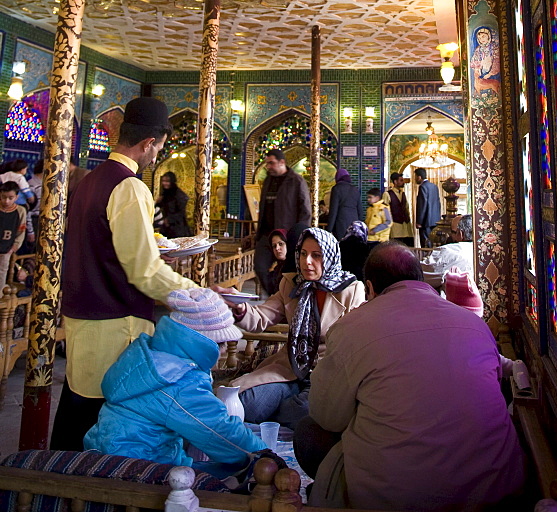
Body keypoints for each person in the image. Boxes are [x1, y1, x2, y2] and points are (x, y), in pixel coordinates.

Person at [295, 242, 525, 511]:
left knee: (308, 432)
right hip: (493, 492)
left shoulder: (352, 327)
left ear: (369, 288)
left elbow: (326, 416)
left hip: (395, 498)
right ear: (420, 279)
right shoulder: (474, 323)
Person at [52, 97, 198, 451]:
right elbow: (144, 270)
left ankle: (56, 484)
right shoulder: (130, 187)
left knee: (76, 408)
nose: (155, 157)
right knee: (104, 424)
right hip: (116, 322)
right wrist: (197, 295)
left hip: (82, 318)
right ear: (148, 143)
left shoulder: (89, 180)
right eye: (158, 148)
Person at [84, 287, 272, 480]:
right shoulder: (178, 378)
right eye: (223, 343)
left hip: (107, 457)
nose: (224, 352)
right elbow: (218, 431)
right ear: (206, 343)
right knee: (243, 478)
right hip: (140, 471)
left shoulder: (149, 354)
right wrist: (266, 456)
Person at [228, 227, 364, 429]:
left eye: (316, 256)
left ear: (330, 256)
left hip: (327, 372)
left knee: (300, 413)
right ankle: (282, 407)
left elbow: (355, 343)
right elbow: (261, 317)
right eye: (303, 254)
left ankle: (284, 413)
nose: (307, 262)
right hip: (290, 367)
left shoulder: (351, 290)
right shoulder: (291, 284)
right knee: (246, 405)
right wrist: (239, 307)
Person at [254, 149, 311, 295]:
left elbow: (305, 210)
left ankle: (283, 301)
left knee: (288, 272)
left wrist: (299, 236)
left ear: (282, 162)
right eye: (267, 163)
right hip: (267, 235)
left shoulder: (296, 181)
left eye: (271, 163)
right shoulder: (268, 181)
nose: (269, 167)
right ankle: (275, 295)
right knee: (260, 267)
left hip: (287, 236)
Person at [0, 181, 26, 289]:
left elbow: (21, 232)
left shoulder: (20, 211)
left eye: (10, 198)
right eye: (3, 197)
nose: (6, 201)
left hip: (7, 248)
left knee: (2, 272)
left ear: (16, 197)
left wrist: (13, 248)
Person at [326, 168, 363, 241]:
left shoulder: (336, 189)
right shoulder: (355, 189)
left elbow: (333, 210)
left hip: (341, 222)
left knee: (342, 246)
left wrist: (329, 229)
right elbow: (360, 210)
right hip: (354, 222)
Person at [155, 170, 191, 238]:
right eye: (163, 181)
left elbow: (180, 212)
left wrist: (169, 219)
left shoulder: (179, 195)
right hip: (166, 227)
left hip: (177, 227)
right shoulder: (165, 193)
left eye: (167, 181)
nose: (164, 183)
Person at [382, 172, 413, 245]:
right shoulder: (387, 194)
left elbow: (406, 208)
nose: (403, 182)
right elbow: (385, 212)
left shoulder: (403, 194)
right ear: (395, 182)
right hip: (396, 228)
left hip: (406, 228)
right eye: (401, 180)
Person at [415, 167, 441, 248]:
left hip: (425, 221)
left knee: (426, 244)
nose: (415, 179)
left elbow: (422, 205)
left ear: (419, 177)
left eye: (415, 177)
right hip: (435, 220)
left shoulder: (423, 187)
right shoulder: (434, 186)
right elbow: (438, 203)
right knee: (434, 243)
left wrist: (419, 221)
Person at [266, 228, 288, 296]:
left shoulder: (293, 268)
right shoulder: (276, 269)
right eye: (274, 246)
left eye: (281, 244)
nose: (277, 248)